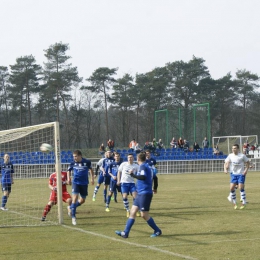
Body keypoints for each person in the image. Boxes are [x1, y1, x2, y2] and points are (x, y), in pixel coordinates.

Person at [115, 152, 162, 238]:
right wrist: (155, 187)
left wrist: (133, 175)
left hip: (145, 194)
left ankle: (157, 230)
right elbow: (155, 177)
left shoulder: (143, 166)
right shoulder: (147, 166)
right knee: (132, 212)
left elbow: (143, 177)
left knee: (144, 215)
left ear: (138, 159)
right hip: (140, 193)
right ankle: (125, 233)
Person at [67, 150, 94, 225]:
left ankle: (71, 208)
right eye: (73, 156)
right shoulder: (72, 163)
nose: (74, 158)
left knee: (82, 200)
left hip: (84, 183)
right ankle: (73, 217)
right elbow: (68, 170)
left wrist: (92, 178)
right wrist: (68, 178)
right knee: (74, 198)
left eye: (75, 156)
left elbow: (91, 170)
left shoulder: (87, 162)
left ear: (80, 156)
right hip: (75, 183)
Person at [224, 144, 249, 210]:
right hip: (233, 174)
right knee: (232, 188)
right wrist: (225, 169)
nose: (233, 149)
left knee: (240, 187)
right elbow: (226, 162)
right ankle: (235, 203)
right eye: (232, 148)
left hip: (241, 174)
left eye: (235, 148)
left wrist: (246, 170)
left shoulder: (242, 156)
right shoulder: (230, 155)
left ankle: (243, 202)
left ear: (238, 149)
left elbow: (248, 163)